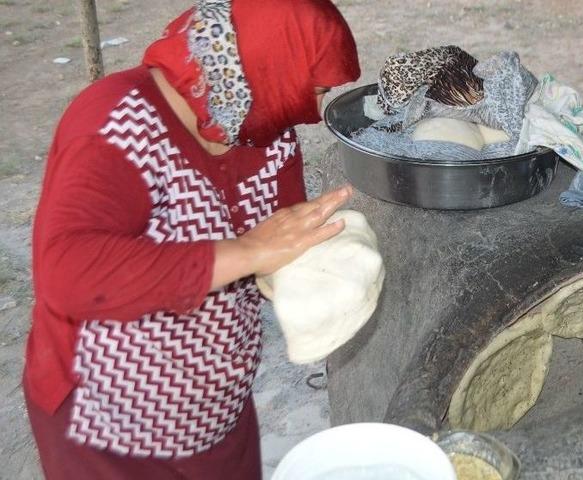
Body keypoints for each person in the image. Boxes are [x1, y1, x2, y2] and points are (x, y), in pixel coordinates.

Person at [22, 1, 360, 478]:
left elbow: (280, 246)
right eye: (315, 91)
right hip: (107, 426)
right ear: (267, 62)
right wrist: (249, 251)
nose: (314, 112)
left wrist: (335, 265)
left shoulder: (264, 130)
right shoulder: (115, 123)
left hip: (214, 414)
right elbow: (68, 272)